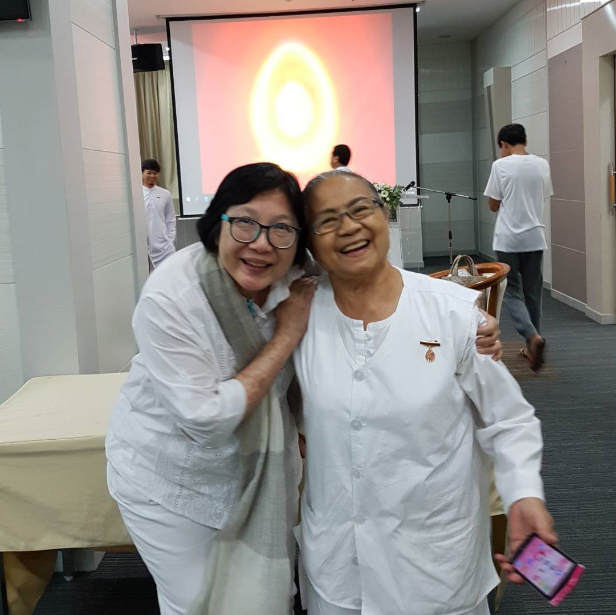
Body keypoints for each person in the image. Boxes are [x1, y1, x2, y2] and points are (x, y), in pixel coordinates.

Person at [105, 163, 501, 615]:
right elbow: (205, 421)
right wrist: (287, 334)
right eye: (245, 223)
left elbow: (370, 276)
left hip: (263, 472)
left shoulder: (296, 271)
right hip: (175, 476)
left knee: (270, 595)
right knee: (200, 603)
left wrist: (464, 317)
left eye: (281, 229)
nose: (261, 243)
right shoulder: (173, 296)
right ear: (217, 223)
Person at [293, 170, 556, 615]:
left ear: (384, 215)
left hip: (435, 569)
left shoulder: (451, 311)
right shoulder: (297, 315)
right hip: (339, 570)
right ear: (310, 244)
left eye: (360, 209)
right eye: (327, 220)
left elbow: (508, 419)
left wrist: (524, 493)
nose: (349, 227)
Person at [484, 124, 553, 371]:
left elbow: (493, 205)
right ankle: (533, 344)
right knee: (533, 293)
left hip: (508, 240)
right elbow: (543, 195)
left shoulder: (500, 166)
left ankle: (531, 337)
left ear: (504, 144)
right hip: (535, 238)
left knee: (512, 291)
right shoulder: (542, 165)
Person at [142, 159, 177, 268]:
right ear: (142, 173)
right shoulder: (137, 193)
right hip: (144, 248)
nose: (152, 176)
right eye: (149, 173)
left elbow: (171, 219)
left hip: (164, 248)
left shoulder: (165, 194)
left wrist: (170, 240)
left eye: (155, 173)